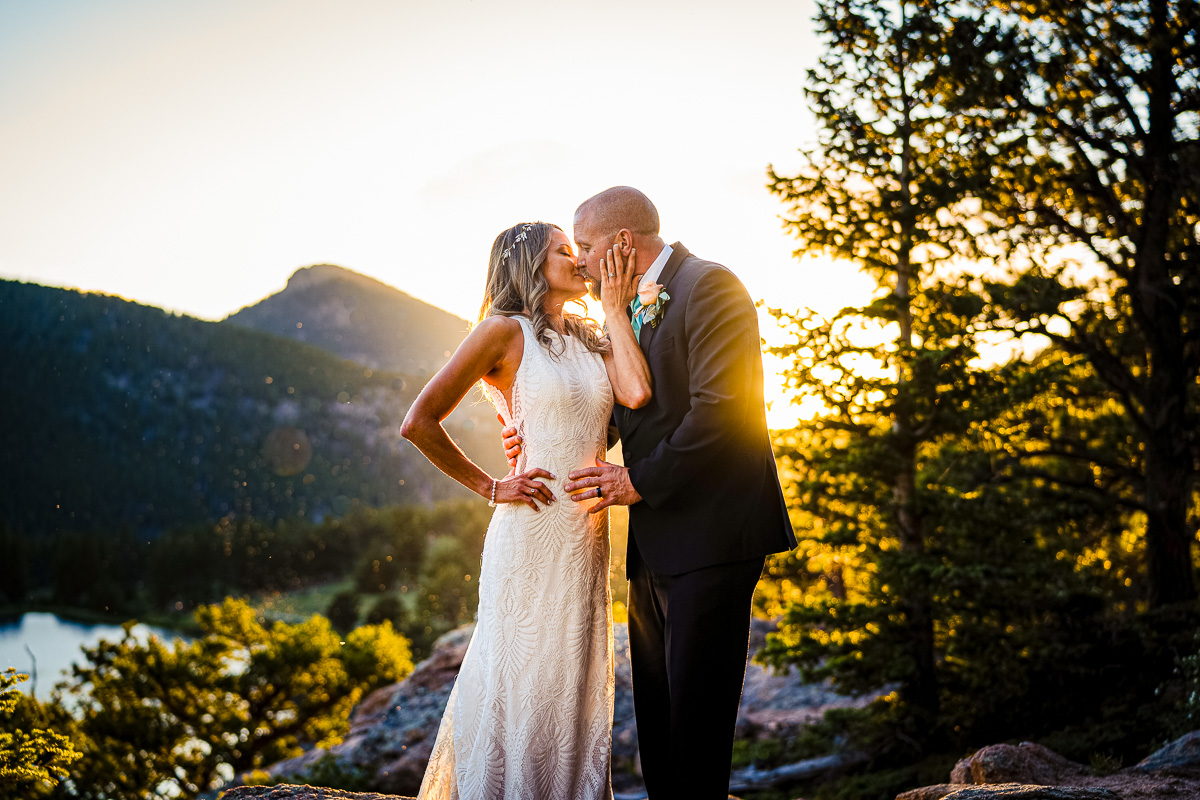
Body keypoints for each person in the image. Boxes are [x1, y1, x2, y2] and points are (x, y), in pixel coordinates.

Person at [503, 187, 797, 799]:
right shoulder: (625, 303)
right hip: (655, 546)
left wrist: (635, 479)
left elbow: (723, 412)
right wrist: (546, 433)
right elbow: (630, 409)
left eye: (583, 246)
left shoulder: (710, 286)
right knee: (659, 723)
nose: (578, 260)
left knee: (697, 722)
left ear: (622, 243)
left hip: (715, 536)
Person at [400, 220, 650, 800]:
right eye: (565, 252)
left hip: (585, 535)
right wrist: (491, 485)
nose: (578, 260)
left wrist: (614, 308)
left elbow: (629, 402)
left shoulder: (590, 335)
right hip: (530, 528)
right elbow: (419, 422)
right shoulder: (501, 332)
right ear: (531, 266)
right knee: (521, 674)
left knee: (571, 676)